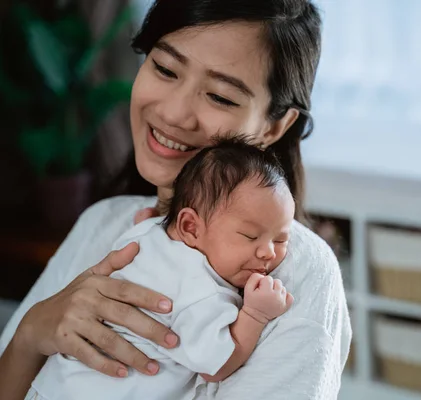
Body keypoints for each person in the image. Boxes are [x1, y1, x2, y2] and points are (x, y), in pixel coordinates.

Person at [0, 1, 351, 399]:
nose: (174, 113)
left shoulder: (296, 275)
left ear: (275, 125)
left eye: (220, 96)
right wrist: (31, 334)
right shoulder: (104, 222)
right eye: (165, 69)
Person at [26, 137, 296, 400]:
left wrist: (147, 224)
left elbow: (141, 231)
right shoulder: (203, 293)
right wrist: (256, 314)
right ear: (190, 227)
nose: (269, 252)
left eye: (281, 240)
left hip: (53, 383)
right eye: (250, 236)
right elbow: (217, 366)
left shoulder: (146, 231)